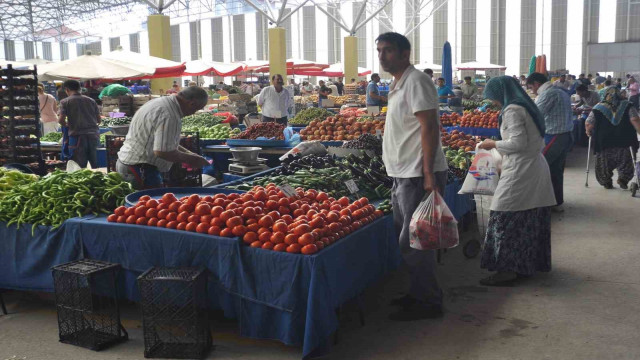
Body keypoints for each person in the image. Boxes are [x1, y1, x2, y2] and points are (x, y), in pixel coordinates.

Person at [377, 32, 448, 321]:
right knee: (408, 239)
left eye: (389, 51)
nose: (382, 56)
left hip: (417, 173)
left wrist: (428, 174)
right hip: (402, 173)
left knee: (416, 242)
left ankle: (429, 302)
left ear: (405, 53)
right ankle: (418, 293)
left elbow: (429, 127)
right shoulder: (398, 83)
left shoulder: (417, 80)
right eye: (379, 50)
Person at [476, 76, 556, 286]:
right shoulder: (526, 105)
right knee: (528, 216)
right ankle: (526, 264)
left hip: (522, 169)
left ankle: (507, 270)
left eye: (492, 97)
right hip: (533, 166)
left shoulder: (512, 110)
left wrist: (492, 143)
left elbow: (518, 142)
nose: (493, 102)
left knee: (504, 214)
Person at [117, 87, 209, 189]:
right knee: (147, 203)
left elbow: (166, 143)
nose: (193, 113)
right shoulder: (170, 114)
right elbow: (163, 151)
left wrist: (191, 154)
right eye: (196, 109)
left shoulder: (160, 102)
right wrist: (192, 160)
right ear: (192, 103)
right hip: (139, 169)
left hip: (128, 164)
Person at [527, 72, 573, 212]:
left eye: (531, 87)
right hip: (565, 136)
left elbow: (535, 115)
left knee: (538, 168)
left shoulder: (548, 94)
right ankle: (556, 203)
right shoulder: (560, 91)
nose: (531, 90)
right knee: (555, 170)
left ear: (536, 83)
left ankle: (538, 205)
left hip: (554, 136)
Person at [585, 87, 640, 189]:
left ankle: (606, 181)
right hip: (624, 139)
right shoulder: (628, 105)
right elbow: (635, 119)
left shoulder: (598, 107)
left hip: (604, 141)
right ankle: (623, 179)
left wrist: (588, 131)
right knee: (626, 160)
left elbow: (589, 123)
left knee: (603, 162)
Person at [57, 80, 101, 169]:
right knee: (97, 166)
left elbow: (60, 120)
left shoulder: (65, 102)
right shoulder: (91, 100)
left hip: (77, 138)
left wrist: (67, 125)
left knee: (78, 167)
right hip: (94, 136)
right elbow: (99, 120)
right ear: (79, 88)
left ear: (67, 89)